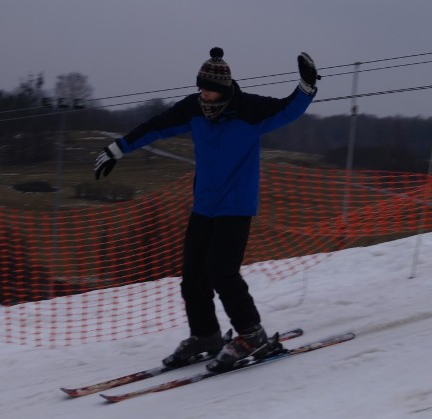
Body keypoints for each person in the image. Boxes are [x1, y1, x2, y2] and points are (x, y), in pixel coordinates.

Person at [94, 47, 319, 372]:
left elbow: (288, 109)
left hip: (236, 207)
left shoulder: (249, 110)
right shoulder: (194, 108)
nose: (203, 93)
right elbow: (157, 126)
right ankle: (206, 335)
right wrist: (118, 148)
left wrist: (306, 86)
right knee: (192, 274)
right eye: (200, 87)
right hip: (205, 206)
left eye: (208, 88)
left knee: (222, 271)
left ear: (224, 90)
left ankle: (252, 334)